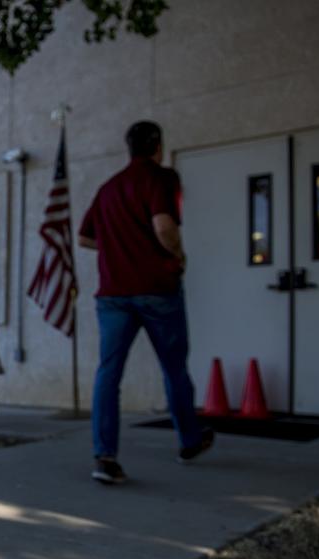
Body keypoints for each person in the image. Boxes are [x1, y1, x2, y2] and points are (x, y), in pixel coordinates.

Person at [77, 120, 214, 485]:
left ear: (129, 148)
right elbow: (164, 226)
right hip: (157, 289)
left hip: (112, 296)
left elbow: (85, 238)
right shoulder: (162, 178)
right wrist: (179, 255)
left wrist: (119, 244)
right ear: (158, 145)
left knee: (108, 373)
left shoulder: (108, 188)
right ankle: (189, 441)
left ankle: (104, 457)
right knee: (173, 368)